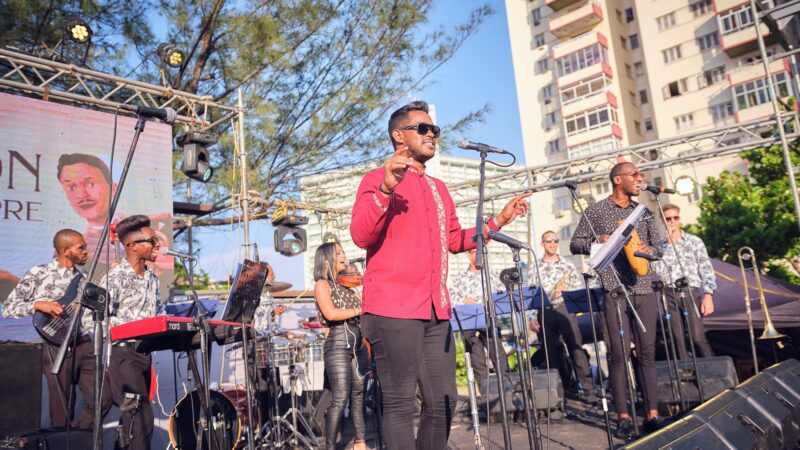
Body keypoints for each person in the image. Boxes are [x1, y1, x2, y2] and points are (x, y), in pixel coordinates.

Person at [350, 100, 530, 449]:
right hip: (392, 308)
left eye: (435, 129)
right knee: (401, 403)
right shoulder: (376, 179)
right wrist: (386, 190)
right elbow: (360, 235)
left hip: (436, 309)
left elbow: (454, 240)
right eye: (423, 128)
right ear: (398, 136)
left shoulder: (439, 189)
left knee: (444, 401)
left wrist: (499, 221)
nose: (432, 134)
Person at [570, 162, 663, 439]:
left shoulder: (643, 212)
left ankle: (652, 414)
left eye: (640, 175)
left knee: (646, 352)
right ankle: (623, 416)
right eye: (634, 175)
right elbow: (576, 244)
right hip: (613, 289)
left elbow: (658, 249)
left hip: (644, 287)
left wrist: (648, 250)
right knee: (618, 354)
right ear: (617, 179)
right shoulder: (596, 210)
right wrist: (598, 241)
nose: (639, 179)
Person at [3, 229, 106, 429]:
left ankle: (78, 436)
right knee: (61, 411)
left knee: (103, 398)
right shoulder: (39, 272)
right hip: (55, 345)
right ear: (64, 250)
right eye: (81, 248)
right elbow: (8, 308)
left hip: (84, 343)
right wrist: (38, 304)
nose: (86, 251)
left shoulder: (83, 276)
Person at [103, 215, 162, 450]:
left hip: (144, 354)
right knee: (141, 418)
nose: (157, 244)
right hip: (123, 355)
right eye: (152, 240)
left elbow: (157, 313)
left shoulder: (153, 278)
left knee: (130, 421)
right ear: (133, 245)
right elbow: (92, 318)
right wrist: (131, 326)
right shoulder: (114, 277)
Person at [313, 242, 368, 450]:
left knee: (359, 393)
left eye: (343, 251)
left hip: (358, 343)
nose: (344, 255)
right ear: (326, 259)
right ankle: (330, 447)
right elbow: (332, 314)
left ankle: (360, 442)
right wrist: (361, 309)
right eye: (339, 253)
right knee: (340, 397)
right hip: (337, 344)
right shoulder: (322, 285)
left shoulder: (346, 285)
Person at [529, 231, 594, 400]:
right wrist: (531, 317)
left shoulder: (567, 264)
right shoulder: (535, 266)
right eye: (548, 241)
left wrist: (567, 290)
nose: (552, 244)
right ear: (542, 244)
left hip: (565, 309)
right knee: (551, 354)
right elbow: (529, 293)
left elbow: (578, 287)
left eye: (555, 241)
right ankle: (559, 393)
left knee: (576, 348)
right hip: (545, 311)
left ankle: (589, 390)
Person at [652, 203, 716, 359]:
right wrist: (666, 248)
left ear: (679, 219)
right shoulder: (659, 245)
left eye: (675, 217)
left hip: (690, 291)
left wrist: (708, 294)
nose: (672, 221)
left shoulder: (694, 241)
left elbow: (706, 268)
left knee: (697, 337)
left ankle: (714, 369)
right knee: (677, 339)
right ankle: (686, 374)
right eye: (668, 219)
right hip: (668, 293)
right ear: (662, 221)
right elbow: (658, 271)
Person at [449, 248, 508, 387]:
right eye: (475, 252)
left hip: (490, 319)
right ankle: (486, 396)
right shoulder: (460, 278)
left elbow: (502, 294)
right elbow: (451, 297)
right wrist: (464, 301)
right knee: (477, 361)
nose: (479, 254)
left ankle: (506, 391)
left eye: (480, 251)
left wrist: (492, 300)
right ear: (469, 256)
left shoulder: (491, 274)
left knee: (498, 356)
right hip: (469, 323)